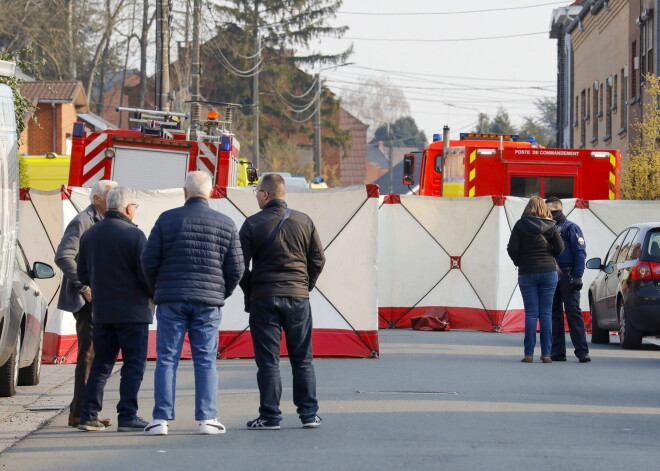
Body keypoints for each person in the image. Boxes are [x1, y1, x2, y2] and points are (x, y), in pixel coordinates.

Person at [141, 171, 244, 436]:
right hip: (208, 302)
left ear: (185, 192)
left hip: (171, 299)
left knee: (166, 359)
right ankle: (207, 419)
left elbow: (148, 261)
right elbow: (237, 269)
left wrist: (158, 290)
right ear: (210, 192)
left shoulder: (166, 220)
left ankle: (160, 420)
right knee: (206, 360)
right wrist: (221, 292)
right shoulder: (226, 223)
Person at [239, 173, 326, 430]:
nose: (256, 196)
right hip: (298, 298)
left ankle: (270, 416)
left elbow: (240, 267)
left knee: (268, 360)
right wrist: (304, 286)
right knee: (302, 359)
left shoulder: (252, 224)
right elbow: (318, 260)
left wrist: (253, 289)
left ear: (265, 194)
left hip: (264, 299)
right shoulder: (304, 221)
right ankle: (309, 415)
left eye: (257, 192)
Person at [76, 187, 152, 432]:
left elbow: (82, 274)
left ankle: (88, 414)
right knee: (133, 365)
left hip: (103, 311)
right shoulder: (135, 236)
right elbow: (146, 274)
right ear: (129, 208)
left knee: (102, 363)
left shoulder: (90, 235)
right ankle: (127, 415)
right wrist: (154, 296)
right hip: (133, 312)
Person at [55, 179, 117, 428]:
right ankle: (80, 413)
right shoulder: (83, 220)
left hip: (98, 298)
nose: (114, 202)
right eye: (109, 197)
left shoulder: (101, 220)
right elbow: (63, 255)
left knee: (94, 354)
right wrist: (84, 286)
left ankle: (83, 409)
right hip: (85, 300)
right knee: (89, 355)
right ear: (96, 199)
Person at [507, 196, 564, 363]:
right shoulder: (551, 225)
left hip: (527, 271)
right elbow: (560, 247)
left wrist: (519, 261)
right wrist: (550, 257)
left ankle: (528, 354)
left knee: (531, 314)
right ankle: (546, 354)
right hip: (548, 272)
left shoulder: (520, 225)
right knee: (546, 314)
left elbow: (512, 248)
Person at [545, 197, 590, 363]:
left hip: (568, 273)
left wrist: (578, 275)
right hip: (551, 273)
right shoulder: (546, 228)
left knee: (573, 312)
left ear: (558, 211)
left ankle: (582, 351)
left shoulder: (571, 228)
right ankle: (557, 352)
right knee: (553, 313)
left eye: (550, 211)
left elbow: (580, 252)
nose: (547, 214)